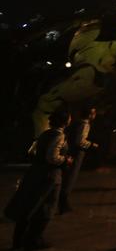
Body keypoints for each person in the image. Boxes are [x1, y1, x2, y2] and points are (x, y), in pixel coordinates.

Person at [4, 108, 72, 251]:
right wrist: (65, 159)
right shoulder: (59, 136)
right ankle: (32, 240)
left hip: (36, 173)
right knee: (45, 207)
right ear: (65, 121)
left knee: (29, 206)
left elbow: (32, 151)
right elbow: (52, 157)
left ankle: (22, 241)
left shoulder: (45, 133)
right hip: (49, 176)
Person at [58, 106, 99, 214]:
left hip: (69, 151)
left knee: (67, 175)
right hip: (76, 153)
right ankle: (63, 202)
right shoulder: (84, 125)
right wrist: (91, 145)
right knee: (71, 176)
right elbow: (80, 141)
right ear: (90, 115)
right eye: (94, 113)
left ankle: (62, 200)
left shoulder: (75, 123)